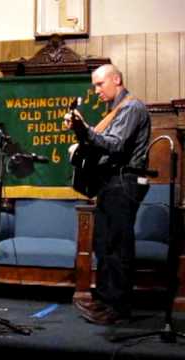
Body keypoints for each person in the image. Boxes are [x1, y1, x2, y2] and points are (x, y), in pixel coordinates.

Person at [64, 64, 151, 325]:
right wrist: (82, 132)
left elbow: (115, 145)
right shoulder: (115, 111)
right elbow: (103, 141)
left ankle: (118, 307)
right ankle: (104, 301)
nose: (97, 90)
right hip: (110, 183)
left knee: (117, 244)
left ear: (117, 79)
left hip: (124, 181)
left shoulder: (132, 107)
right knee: (103, 242)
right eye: (95, 85)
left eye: (100, 84)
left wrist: (84, 130)